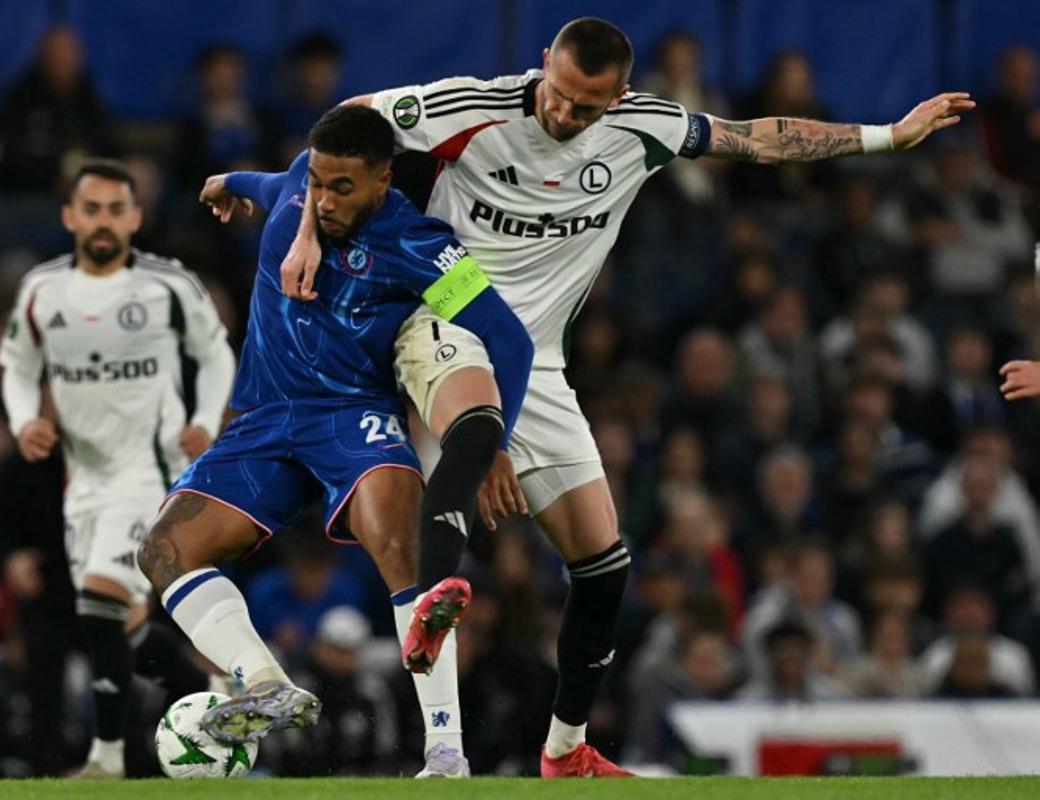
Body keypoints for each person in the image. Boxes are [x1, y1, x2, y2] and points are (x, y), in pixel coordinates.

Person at [280, 16, 974, 777]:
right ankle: (443, 739)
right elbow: (344, 126)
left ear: (619, 98)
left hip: (537, 363)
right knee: (470, 448)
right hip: (444, 319)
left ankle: (565, 752)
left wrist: (886, 135)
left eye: (587, 106)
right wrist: (306, 227)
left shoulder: (647, 129)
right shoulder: (470, 106)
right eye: (559, 93)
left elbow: (760, 137)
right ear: (544, 64)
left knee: (604, 565)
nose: (565, 114)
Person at [137, 105, 532, 778]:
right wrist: (226, 181)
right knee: (164, 551)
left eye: (342, 188)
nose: (323, 200)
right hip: (264, 415)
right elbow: (271, 185)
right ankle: (262, 681)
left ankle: (445, 754)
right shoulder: (302, 181)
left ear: (382, 182)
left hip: (352, 416)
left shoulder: (421, 245)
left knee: (402, 543)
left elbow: (510, 338)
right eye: (318, 183)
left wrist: (500, 444)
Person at [0, 160, 236, 778]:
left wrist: (206, 422)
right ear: (70, 217)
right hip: (84, 481)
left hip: (149, 471)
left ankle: (104, 761)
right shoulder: (42, 291)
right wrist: (25, 420)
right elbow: (18, 368)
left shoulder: (167, 287)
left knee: (101, 603)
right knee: (120, 630)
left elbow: (214, 356)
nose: (103, 222)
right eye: (92, 209)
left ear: (135, 217)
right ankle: (219, 690)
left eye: (115, 210)